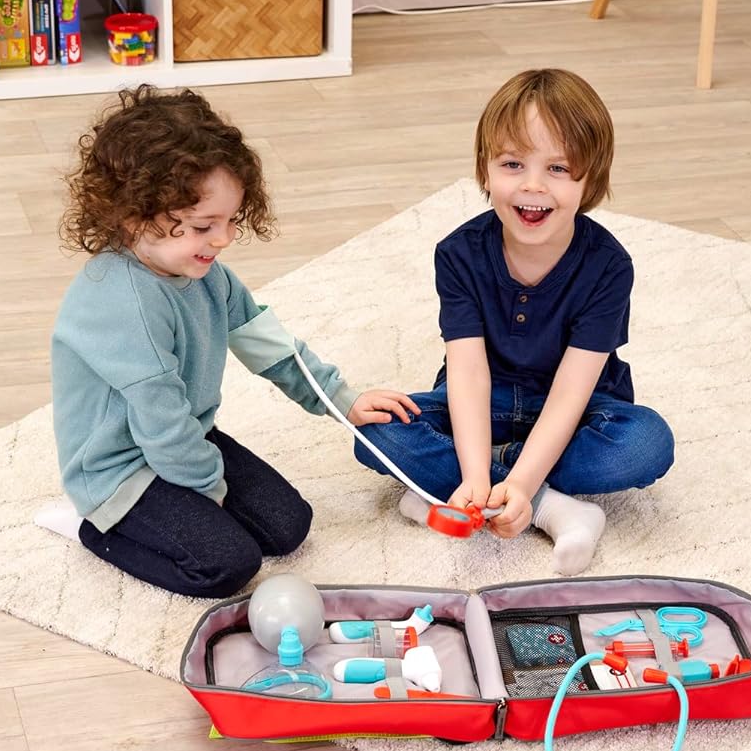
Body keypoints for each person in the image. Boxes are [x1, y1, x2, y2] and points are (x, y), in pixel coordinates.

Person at [52, 85, 418, 597]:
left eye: (229, 222)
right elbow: (161, 423)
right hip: (120, 469)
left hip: (187, 437)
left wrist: (342, 399)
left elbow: (269, 346)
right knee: (228, 566)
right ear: (134, 216)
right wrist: (209, 492)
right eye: (204, 226)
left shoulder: (209, 277)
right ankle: (95, 529)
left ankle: (187, 509)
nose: (222, 240)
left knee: (288, 527)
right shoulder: (123, 303)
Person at [353, 69, 674, 575]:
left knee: (645, 445)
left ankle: (460, 488)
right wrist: (476, 474)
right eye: (512, 164)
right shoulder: (457, 254)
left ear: (591, 180)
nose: (532, 185)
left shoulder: (609, 266)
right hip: (485, 401)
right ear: (485, 170)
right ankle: (551, 507)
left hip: (578, 406)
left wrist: (520, 482)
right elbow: (468, 373)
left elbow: (571, 391)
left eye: (558, 168)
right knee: (375, 434)